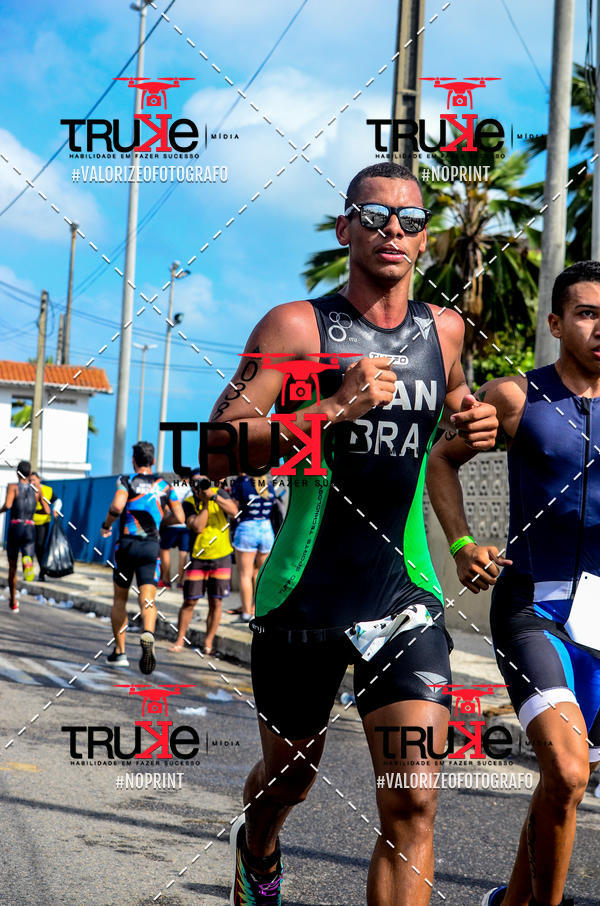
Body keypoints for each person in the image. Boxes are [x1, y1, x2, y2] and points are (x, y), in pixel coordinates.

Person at [204, 162, 499, 906]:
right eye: (373, 215)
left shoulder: (445, 330)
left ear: (424, 238)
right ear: (345, 229)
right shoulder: (296, 328)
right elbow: (216, 447)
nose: (392, 229)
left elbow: (448, 435)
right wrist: (334, 407)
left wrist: (473, 429)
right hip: (304, 599)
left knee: (414, 800)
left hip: (404, 598)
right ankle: (258, 844)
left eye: (409, 219)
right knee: (289, 780)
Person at [426, 261, 600, 906]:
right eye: (586, 314)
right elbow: (442, 460)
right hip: (533, 608)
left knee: (564, 781)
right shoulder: (515, 397)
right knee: (568, 770)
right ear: (555, 323)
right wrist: (463, 544)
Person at [100, 441, 184, 674]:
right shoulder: (164, 485)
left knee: (120, 599)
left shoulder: (126, 481)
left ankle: (120, 652)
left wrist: (106, 525)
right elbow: (180, 517)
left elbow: (117, 507)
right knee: (148, 599)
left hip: (127, 546)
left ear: (133, 461)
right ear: (153, 461)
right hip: (150, 547)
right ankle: (148, 633)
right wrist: (159, 522)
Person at [169, 471, 238, 655]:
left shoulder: (218, 494)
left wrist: (213, 496)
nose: (200, 486)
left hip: (221, 555)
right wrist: (206, 503)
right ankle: (180, 640)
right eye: (196, 483)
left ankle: (208, 643)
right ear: (191, 486)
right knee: (189, 601)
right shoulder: (188, 503)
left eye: (203, 482)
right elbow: (198, 526)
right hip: (198, 557)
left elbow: (234, 511)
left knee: (216, 602)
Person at [227, 473, 278, 622]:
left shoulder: (241, 483)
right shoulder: (268, 484)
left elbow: (233, 510)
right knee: (261, 573)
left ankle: (246, 614)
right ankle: (257, 608)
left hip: (247, 528)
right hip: (266, 529)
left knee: (245, 575)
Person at [0, 460, 49, 611]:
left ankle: (13, 600)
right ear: (29, 474)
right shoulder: (37, 490)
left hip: (16, 526)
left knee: (12, 567)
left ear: (17, 473)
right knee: (27, 552)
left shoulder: (13, 487)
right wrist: (35, 510)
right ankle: (27, 562)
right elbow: (47, 510)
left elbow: (8, 505)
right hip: (30, 527)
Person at [158, 474, 192, 588]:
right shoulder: (191, 489)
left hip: (171, 523)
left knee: (164, 550)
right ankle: (180, 582)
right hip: (186, 525)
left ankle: (166, 580)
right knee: (183, 553)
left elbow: (166, 506)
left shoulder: (172, 486)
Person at [30, 472, 62, 581]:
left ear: (39, 479)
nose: (32, 482)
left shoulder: (47, 490)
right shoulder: (28, 490)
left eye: (34, 480)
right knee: (30, 547)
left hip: (43, 523)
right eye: (30, 480)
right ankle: (29, 571)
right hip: (30, 523)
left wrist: (56, 509)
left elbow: (57, 501)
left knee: (40, 546)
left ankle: (42, 571)